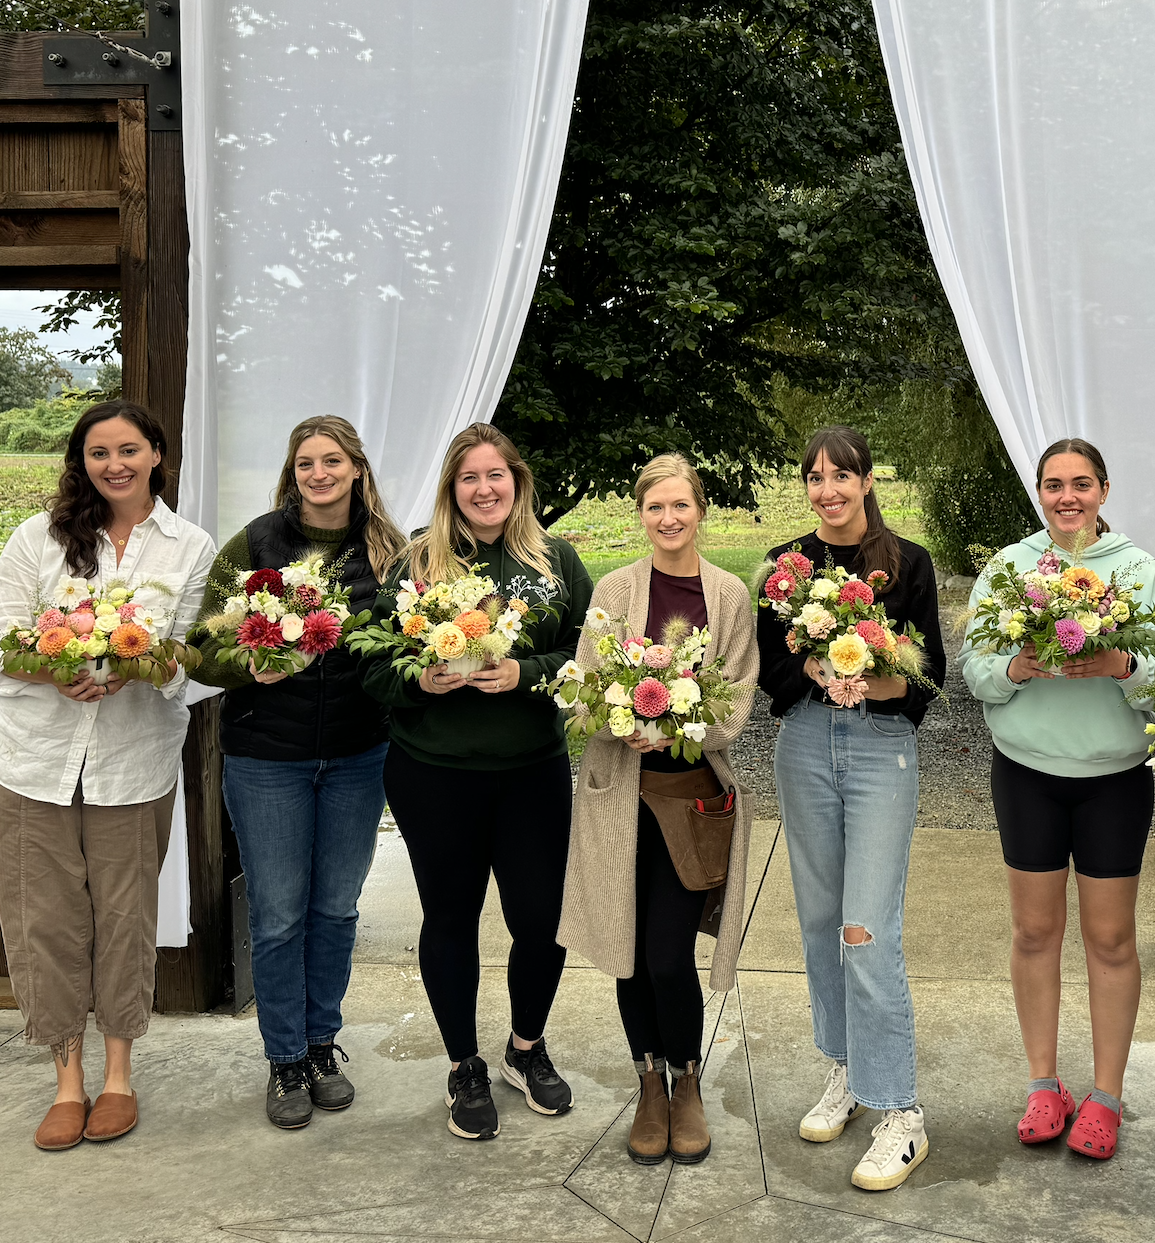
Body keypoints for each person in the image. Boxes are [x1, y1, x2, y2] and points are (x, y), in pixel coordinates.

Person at [0, 401, 215, 1152]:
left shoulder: (189, 547)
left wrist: (140, 667)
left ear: (156, 454)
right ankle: (66, 1080)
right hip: (31, 759)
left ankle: (118, 1076)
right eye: (96, 453)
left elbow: (193, 658)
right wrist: (55, 671)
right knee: (42, 920)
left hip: (133, 762)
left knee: (123, 917)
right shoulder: (37, 537)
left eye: (127, 450)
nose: (112, 464)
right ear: (81, 462)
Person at [361, 423, 594, 1142]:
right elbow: (373, 669)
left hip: (532, 774)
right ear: (450, 489)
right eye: (470, 478)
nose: (485, 489)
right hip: (436, 776)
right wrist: (419, 677)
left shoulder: (555, 560)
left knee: (540, 922)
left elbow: (589, 654)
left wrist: (527, 673)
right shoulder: (414, 565)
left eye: (497, 475)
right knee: (451, 919)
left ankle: (526, 1048)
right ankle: (463, 1063)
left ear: (517, 482)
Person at [188, 415, 406, 1129]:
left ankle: (321, 1045)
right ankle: (283, 1059)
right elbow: (198, 646)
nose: (320, 473)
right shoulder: (254, 543)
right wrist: (244, 666)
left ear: (356, 469)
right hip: (266, 760)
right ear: (293, 471)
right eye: (307, 462)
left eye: (333, 460)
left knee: (335, 909)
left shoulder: (388, 549)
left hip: (356, 756)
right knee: (279, 916)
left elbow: (406, 645)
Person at [962, 437, 1155, 1163]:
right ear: (1040, 493)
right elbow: (976, 671)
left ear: (1105, 492)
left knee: (1111, 939)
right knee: (1033, 933)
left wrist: (1122, 662)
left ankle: (1106, 1095)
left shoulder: (1139, 573)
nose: (1067, 497)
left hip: (1113, 777)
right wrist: (1017, 665)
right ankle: (1044, 1083)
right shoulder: (1010, 569)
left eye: (1082, 484)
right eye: (1054, 485)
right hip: (1028, 773)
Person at [755, 426, 946, 1191]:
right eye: (814, 477)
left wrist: (868, 677)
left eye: (842, 475)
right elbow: (770, 669)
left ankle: (901, 1109)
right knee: (818, 923)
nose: (827, 489)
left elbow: (927, 677)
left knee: (866, 929)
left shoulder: (908, 564)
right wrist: (813, 664)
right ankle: (844, 1072)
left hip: (877, 752)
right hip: (803, 745)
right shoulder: (786, 566)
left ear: (868, 481)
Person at [558, 454, 760, 1166]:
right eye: (655, 508)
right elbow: (584, 677)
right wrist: (612, 716)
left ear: (700, 508)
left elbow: (736, 694)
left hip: (687, 799)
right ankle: (648, 1082)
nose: (668, 519)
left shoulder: (730, 595)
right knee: (626, 953)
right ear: (639, 514)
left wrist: (678, 727)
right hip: (620, 800)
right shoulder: (614, 588)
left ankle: (688, 1081)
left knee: (667, 957)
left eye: (681, 506)